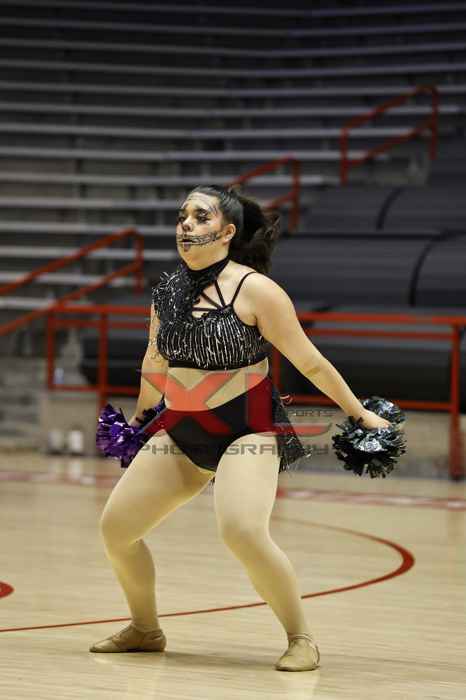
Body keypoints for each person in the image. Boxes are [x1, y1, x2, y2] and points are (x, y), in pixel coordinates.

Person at [89, 185, 390, 671]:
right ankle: (145, 629)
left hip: (247, 429)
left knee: (242, 531)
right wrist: (140, 424)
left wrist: (360, 414)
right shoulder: (167, 291)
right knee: (116, 530)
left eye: (200, 216)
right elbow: (154, 363)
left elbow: (310, 362)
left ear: (227, 232)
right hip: (181, 428)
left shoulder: (256, 290)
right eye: (182, 216)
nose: (186, 225)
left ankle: (301, 638)